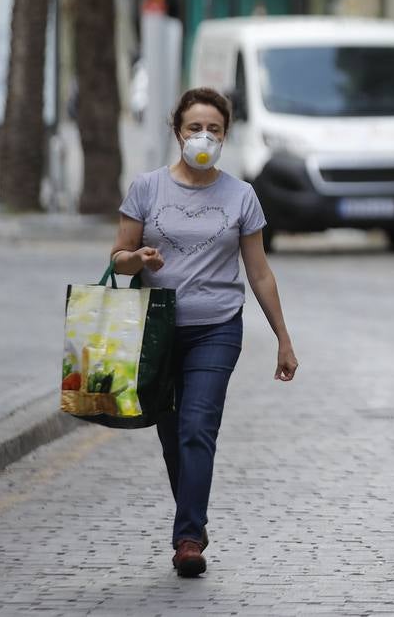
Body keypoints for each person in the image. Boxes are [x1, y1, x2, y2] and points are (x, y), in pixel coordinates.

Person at [111, 87, 299, 578]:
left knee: (197, 427)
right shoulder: (146, 189)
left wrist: (283, 337)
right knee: (171, 435)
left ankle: (188, 538)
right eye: (195, 127)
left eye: (214, 129)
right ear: (177, 132)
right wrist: (138, 259)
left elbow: (259, 273)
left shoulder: (241, 196)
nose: (203, 137)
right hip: (157, 329)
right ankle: (193, 518)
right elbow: (119, 257)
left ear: (225, 136)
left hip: (216, 328)